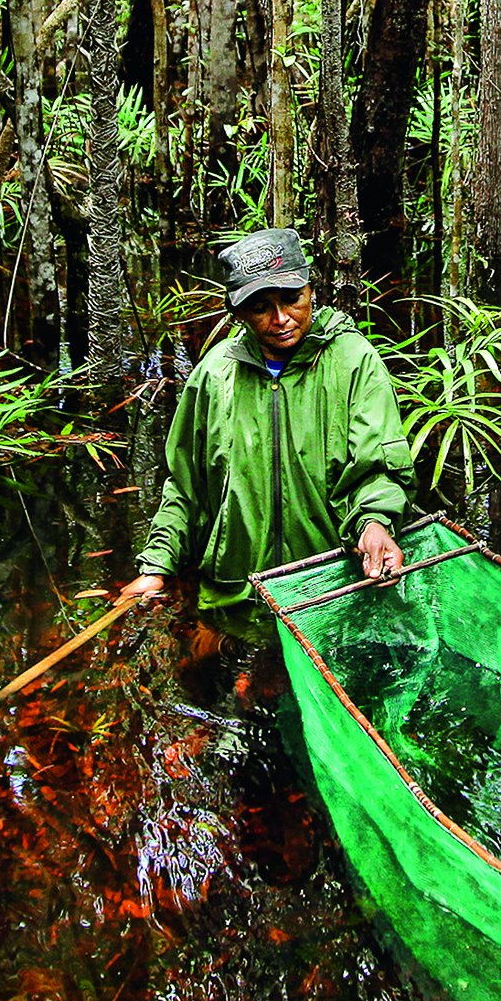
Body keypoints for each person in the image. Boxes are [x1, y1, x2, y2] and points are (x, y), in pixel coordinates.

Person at [120, 227, 414, 679]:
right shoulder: (214, 376)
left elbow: (376, 467)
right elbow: (185, 486)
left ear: (311, 289)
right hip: (233, 597)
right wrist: (157, 567)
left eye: (292, 298)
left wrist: (374, 523)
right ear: (238, 311)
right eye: (261, 306)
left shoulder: (353, 360)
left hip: (327, 593)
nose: (281, 318)